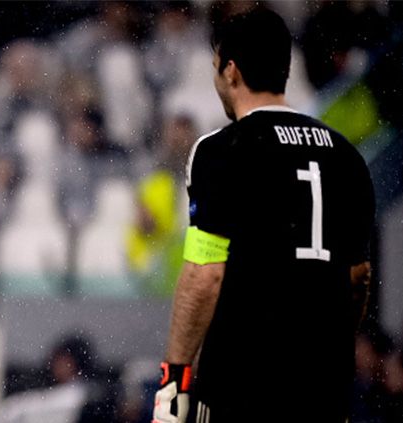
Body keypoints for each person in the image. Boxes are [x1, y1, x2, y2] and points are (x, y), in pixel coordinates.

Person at [152, 9, 375, 423]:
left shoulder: (221, 151)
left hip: (242, 389)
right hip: (323, 394)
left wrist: (172, 392)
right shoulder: (347, 158)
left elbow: (205, 274)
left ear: (231, 71)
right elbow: (357, 278)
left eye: (217, 67)